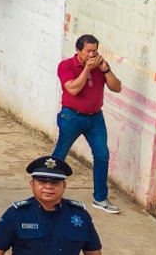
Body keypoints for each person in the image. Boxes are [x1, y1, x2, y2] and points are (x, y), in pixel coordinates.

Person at [52, 34, 123, 214]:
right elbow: (72, 89)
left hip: (95, 118)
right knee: (59, 155)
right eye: (88, 51)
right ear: (78, 50)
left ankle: (100, 198)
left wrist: (106, 70)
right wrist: (87, 70)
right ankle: (49, 193)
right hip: (72, 117)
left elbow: (117, 88)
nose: (92, 55)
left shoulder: (100, 66)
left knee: (102, 155)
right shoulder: (66, 65)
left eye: (95, 51)